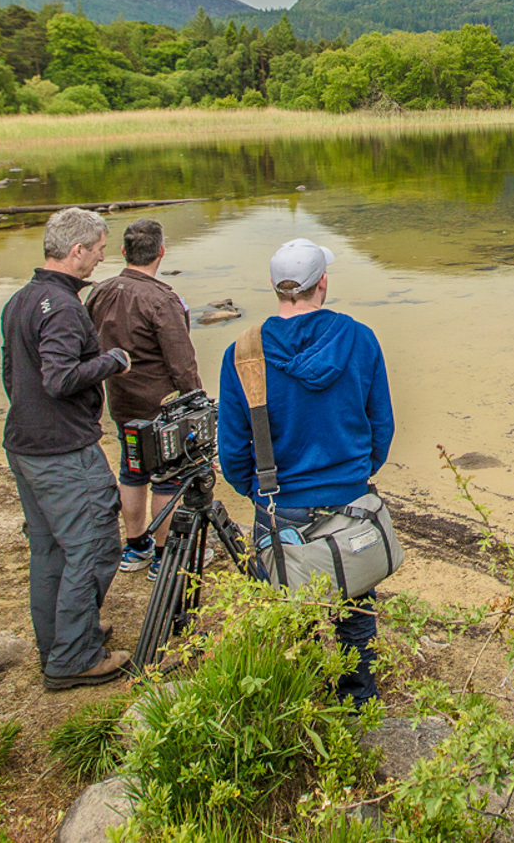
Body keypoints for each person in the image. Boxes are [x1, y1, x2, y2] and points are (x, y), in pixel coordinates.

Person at [216, 237, 394, 704]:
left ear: (276, 288)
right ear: (323, 284)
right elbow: (381, 427)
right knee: (357, 607)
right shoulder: (359, 337)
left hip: (279, 505)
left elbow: (233, 451)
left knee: (287, 611)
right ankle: (358, 700)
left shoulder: (243, 352)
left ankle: (301, 697)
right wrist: (355, 475)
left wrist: (257, 489)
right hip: (350, 498)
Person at [0, 207, 133, 690]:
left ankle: (60, 640)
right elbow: (58, 378)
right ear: (76, 251)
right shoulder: (61, 307)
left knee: (50, 550)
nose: (101, 257)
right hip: (61, 451)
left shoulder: (22, 299)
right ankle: (74, 657)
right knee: (95, 547)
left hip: (26, 445)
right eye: (97, 249)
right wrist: (111, 362)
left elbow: (12, 373)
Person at [87, 217, 202, 578]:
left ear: (123, 252)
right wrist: (197, 405)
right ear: (161, 252)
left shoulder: (100, 292)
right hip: (161, 406)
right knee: (168, 478)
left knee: (132, 471)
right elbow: (182, 364)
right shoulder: (162, 299)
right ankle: (164, 556)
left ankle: (135, 546)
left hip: (122, 403)